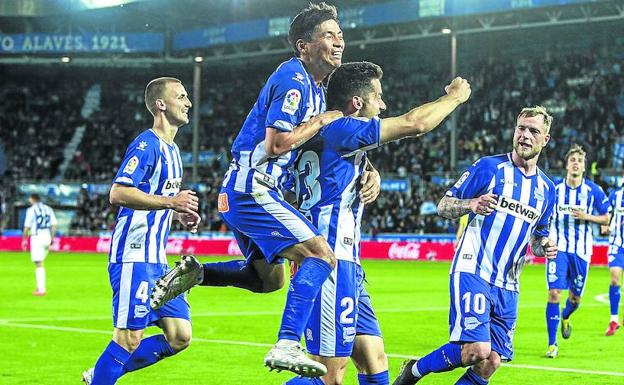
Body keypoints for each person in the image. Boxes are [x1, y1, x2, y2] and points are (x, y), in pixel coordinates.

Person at [150, 3, 347, 378]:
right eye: (328, 35)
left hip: (246, 191)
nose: (339, 42)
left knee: (268, 280)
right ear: (304, 46)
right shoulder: (294, 79)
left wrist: (366, 169)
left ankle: (198, 274)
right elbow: (276, 145)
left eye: (340, 35)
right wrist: (323, 119)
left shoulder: (315, 89)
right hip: (252, 189)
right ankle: (288, 341)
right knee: (321, 254)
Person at [282, 62, 471, 385]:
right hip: (332, 261)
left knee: (374, 361)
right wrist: (454, 98)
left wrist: (370, 171)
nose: (382, 105)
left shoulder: (314, 133)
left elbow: (294, 190)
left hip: (347, 266)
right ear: (357, 102)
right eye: (378, 97)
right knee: (329, 375)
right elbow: (415, 123)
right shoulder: (341, 128)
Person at [393, 106, 558, 385]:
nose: (525, 136)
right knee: (476, 351)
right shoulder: (489, 168)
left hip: (508, 283)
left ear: (546, 139)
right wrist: (471, 204)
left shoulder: (547, 190)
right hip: (474, 269)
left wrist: (545, 246)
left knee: (491, 361)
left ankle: (414, 368)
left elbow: (537, 238)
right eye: (521, 128)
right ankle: (414, 372)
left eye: (533, 131)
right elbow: (444, 205)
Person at [82, 77, 201, 385]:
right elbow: (118, 193)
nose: (188, 102)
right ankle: (102, 376)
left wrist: (179, 214)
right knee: (128, 338)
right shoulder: (147, 144)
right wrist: (170, 201)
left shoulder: (173, 151)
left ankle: (101, 374)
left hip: (157, 260)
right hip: (133, 255)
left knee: (179, 336)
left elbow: (156, 203)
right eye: (181, 96)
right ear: (161, 104)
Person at [544, 144, 609, 357]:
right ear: (566, 164)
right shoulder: (554, 190)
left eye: (579, 161)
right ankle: (552, 344)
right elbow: (542, 215)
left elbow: (607, 217)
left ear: (584, 167)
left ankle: (566, 316)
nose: (576, 163)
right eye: (572, 160)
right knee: (554, 293)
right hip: (558, 248)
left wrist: (587, 217)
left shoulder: (593, 191)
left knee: (575, 300)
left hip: (581, 252)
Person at [22, 193, 57, 296]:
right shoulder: (48, 209)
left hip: (37, 237)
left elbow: (27, 227)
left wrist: (24, 240)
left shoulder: (31, 210)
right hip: (47, 236)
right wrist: (52, 237)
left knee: (39, 263)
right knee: (40, 261)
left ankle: (41, 290)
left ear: (33, 199)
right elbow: (54, 225)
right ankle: (40, 286)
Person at [605, 183, 624, 335]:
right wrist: (605, 226)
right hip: (617, 244)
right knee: (614, 278)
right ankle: (614, 320)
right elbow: (607, 213)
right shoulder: (615, 195)